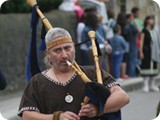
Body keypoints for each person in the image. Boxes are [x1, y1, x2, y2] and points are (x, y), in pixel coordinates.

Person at [18, 27, 129, 120]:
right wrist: (56, 117)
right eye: (57, 50)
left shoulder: (92, 73)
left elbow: (123, 97)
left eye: (67, 48)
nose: (65, 55)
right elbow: (27, 115)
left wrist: (99, 109)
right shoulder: (37, 81)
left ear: (74, 48)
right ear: (48, 54)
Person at [139, 15, 160, 92]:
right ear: (147, 20)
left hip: (154, 52)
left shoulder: (154, 30)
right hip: (147, 52)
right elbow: (141, 41)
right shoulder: (144, 30)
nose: (153, 21)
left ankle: (152, 85)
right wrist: (141, 52)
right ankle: (146, 85)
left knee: (153, 67)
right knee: (146, 67)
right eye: (151, 19)